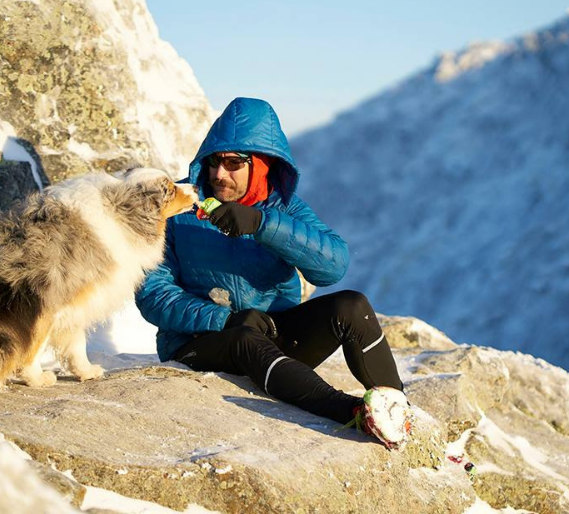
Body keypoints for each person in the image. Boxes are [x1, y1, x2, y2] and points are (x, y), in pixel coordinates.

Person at [135, 97, 410, 448]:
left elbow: (334, 266)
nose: (219, 173)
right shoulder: (179, 205)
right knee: (244, 339)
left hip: (271, 337)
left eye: (234, 163)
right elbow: (152, 295)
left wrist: (263, 225)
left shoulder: (282, 207)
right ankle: (355, 414)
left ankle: (396, 409)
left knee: (351, 306)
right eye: (214, 162)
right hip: (199, 344)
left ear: (262, 164)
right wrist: (224, 319)